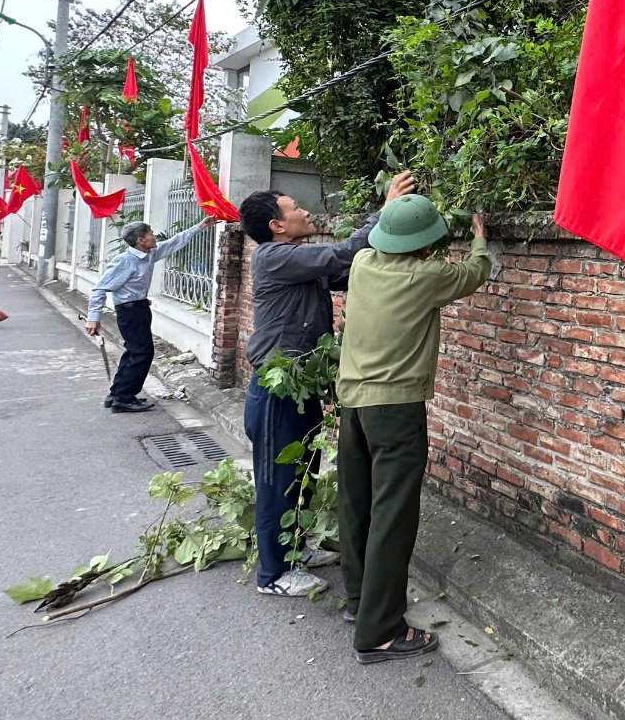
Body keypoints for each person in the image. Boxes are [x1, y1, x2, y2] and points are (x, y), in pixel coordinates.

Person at [238, 172, 414, 599]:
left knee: (303, 472)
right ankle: (274, 574)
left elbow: (347, 269)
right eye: (293, 208)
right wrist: (385, 210)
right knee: (277, 480)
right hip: (275, 389)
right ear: (276, 226)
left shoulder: (297, 259)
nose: (303, 211)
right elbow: (342, 255)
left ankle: (294, 546)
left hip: (300, 385)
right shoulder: (273, 257)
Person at [336, 198, 490, 663]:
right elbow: (475, 271)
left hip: (353, 405)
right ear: (425, 241)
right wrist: (480, 235)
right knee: (393, 516)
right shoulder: (429, 276)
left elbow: (381, 245)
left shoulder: (362, 262)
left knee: (357, 504)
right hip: (396, 409)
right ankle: (380, 631)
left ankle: (361, 603)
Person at [85, 217, 217, 412]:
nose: (154, 237)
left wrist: (201, 226)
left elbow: (173, 243)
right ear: (140, 240)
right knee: (142, 353)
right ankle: (124, 399)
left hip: (139, 308)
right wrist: (93, 317)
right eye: (151, 234)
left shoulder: (149, 254)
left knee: (133, 352)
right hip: (129, 311)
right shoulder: (125, 261)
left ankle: (117, 394)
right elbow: (99, 289)